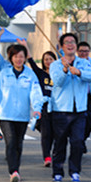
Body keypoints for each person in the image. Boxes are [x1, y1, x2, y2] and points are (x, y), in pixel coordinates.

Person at [0, 44, 43, 182]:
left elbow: (35, 92)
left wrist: (37, 108)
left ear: (25, 58)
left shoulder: (30, 75)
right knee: (11, 141)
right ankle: (13, 171)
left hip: (22, 116)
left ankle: (16, 170)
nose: (19, 59)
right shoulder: (4, 74)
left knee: (18, 144)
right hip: (5, 115)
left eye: (21, 56)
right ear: (11, 58)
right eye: (15, 56)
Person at [49, 33, 91, 182]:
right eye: (67, 42)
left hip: (80, 110)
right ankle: (57, 171)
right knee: (60, 143)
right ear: (62, 47)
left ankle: (75, 171)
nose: (70, 44)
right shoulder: (56, 64)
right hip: (61, 110)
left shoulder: (84, 63)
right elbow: (58, 82)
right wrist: (65, 69)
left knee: (77, 142)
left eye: (73, 42)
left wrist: (79, 72)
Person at [18, 39, 57, 168]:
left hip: (58, 107)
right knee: (46, 133)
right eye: (46, 59)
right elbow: (31, 61)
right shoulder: (39, 73)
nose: (48, 61)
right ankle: (46, 156)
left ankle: (55, 153)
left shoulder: (59, 74)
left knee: (55, 133)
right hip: (44, 106)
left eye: (51, 59)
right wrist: (25, 46)